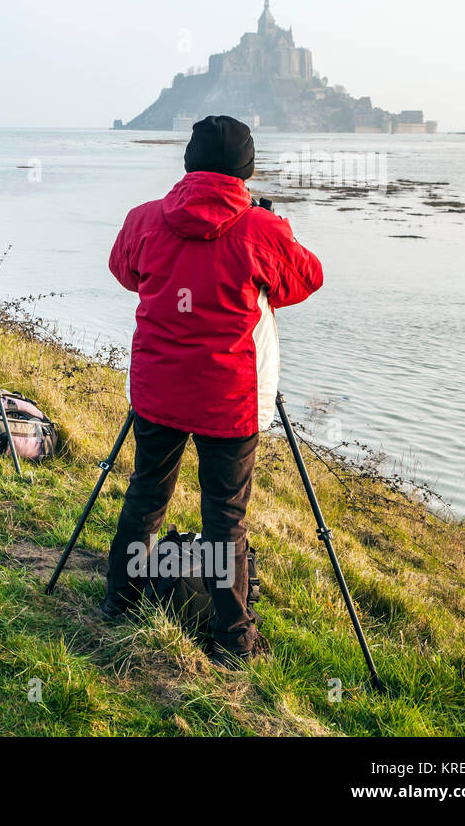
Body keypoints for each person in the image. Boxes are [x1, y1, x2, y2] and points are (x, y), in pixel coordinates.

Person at [102, 115, 324, 669]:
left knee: (147, 493)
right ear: (245, 172)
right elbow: (306, 279)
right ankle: (233, 637)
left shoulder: (146, 219)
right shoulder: (260, 230)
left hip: (158, 390)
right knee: (224, 516)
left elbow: (124, 271)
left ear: (188, 163)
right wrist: (279, 230)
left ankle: (119, 601)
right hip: (230, 398)